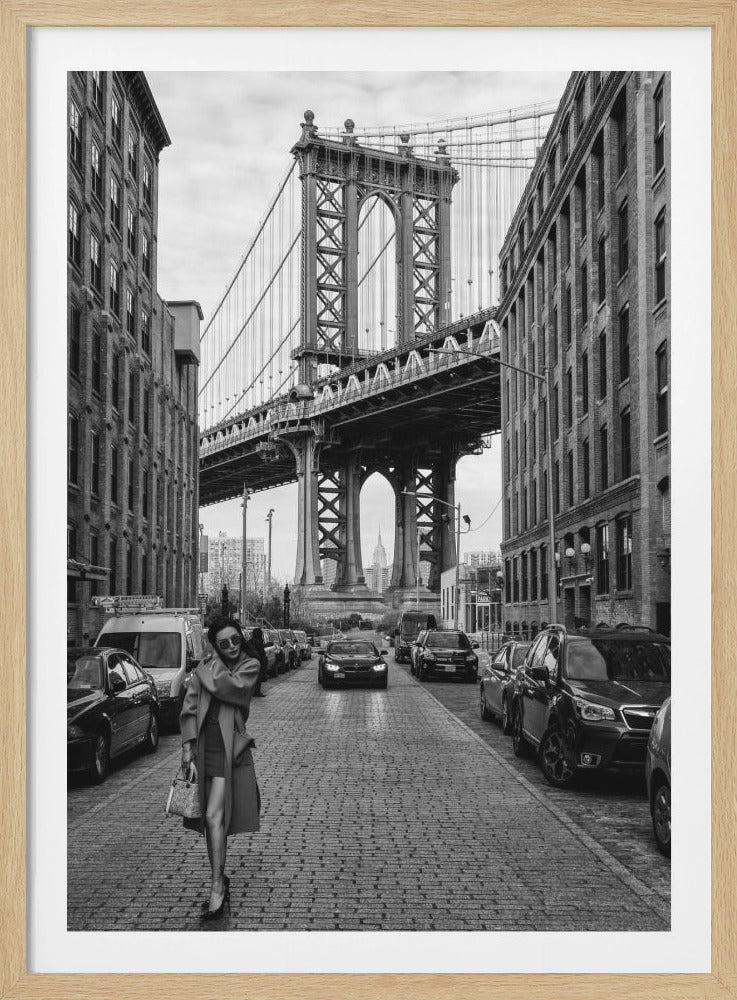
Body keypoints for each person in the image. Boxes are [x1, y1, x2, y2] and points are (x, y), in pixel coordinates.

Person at [179, 616, 261, 920]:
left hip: (229, 752)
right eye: (223, 643)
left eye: (235, 640)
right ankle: (219, 876)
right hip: (203, 749)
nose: (231, 647)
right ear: (216, 644)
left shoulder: (249, 665)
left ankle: (216, 887)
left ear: (241, 638)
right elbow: (188, 707)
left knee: (214, 817)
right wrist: (187, 746)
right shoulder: (206, 667)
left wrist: (205, 668)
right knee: (210, 822)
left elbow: (231, 688)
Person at [250, 626, 268, 697]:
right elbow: (262, 652)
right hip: (258, 661)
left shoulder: (250, 641)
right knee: (258, 678)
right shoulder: (259, 642)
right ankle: (257, 692)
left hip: (251, 662)